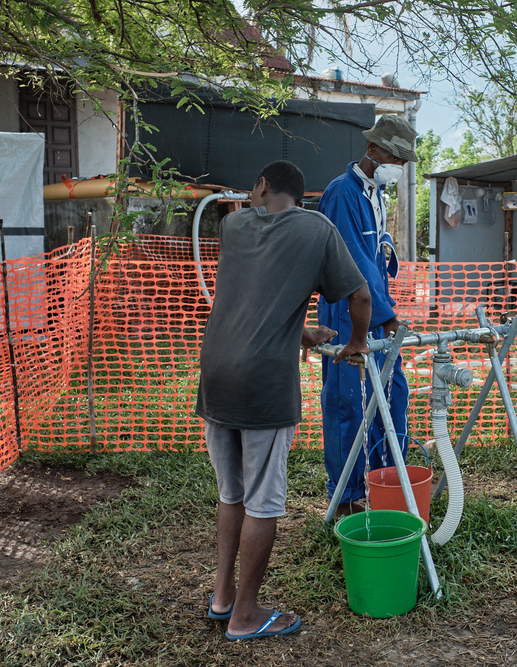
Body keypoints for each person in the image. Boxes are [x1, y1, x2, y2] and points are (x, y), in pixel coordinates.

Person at [196, 160, 371, 640]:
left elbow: (256, 297)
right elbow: (360, 297)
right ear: (302, 195)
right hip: (263, 385)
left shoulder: (232, 225)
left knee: (232, 494)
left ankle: (222, 598)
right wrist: (356, 343)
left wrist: (301, 334)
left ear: (261, 186)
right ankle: (246, 616)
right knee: (264, 502)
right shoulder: (318, 228)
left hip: (216, 377)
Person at [316, 114, 418, 516]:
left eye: (404, 160)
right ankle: (346, 497)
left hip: (376, 310)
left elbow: (375, 258)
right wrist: (387, 315)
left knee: (393, 397)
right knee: (348, 405)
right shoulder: (343, 194)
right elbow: (352, 264)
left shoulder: (375, 193)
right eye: (396, 156)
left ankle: (386, 481)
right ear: (373, 149)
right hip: (348, 314)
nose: (400, 165)